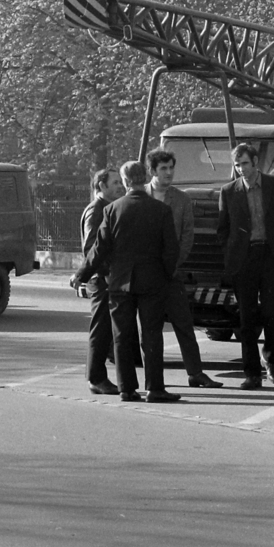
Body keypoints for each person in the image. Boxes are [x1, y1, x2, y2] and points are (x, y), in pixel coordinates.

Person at [79, 159, 181, 403]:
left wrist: (80, 275)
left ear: (125, 182)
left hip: (120, 283)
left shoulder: (112, 210)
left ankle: (126, 389)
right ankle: (155, 388)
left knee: (122, 337)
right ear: (145, 177)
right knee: (152, 335)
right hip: (152, 282)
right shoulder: (161, 210)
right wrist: (166, 275)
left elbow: (98, 249)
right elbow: (171, 250)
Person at [215, 141, 274, 390]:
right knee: (246, 318)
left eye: (244, 163)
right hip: (245, 260)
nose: (241, 168)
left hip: (272, 257)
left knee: (273, 312)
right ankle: (252, 374)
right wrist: (232, 253)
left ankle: (270, 357)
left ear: (255, 163)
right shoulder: (228, 191)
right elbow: (223, 229)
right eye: (237, 164)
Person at [148, 150, 222, 389]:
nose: (169, 173)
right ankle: (152, 378)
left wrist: (174, 264)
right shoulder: (139, 196)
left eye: (171, 168)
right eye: (163, 169)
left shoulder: (181, 199)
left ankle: (195, 373)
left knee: (184, 324)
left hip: (172, 274)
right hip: (146, 276)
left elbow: (188, 235)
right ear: (153, 171)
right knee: (150, 329)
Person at [69, 168, 122, 393]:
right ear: (101, 186)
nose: (120, 186)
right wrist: (105, 272)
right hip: (101, 279)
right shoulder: (96, 210)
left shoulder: (107, 207)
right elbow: (92, 248)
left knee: (106, 330)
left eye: (121, 182)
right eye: (115, 182)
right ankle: (96, 379)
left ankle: (100, 376)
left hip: (107, 277)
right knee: (100, 330)